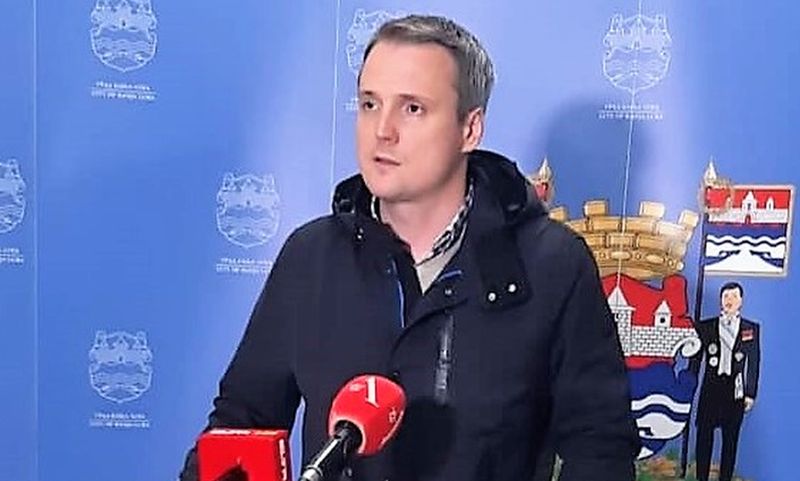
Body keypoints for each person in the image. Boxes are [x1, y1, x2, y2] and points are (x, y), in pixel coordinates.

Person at [180, 14, 638, 481]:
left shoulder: (552, 265)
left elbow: (600, 447)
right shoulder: (310, 256)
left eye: (413, 108)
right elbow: (241, 425)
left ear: (470, 129)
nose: (383, 130)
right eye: (369, 104)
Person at [693, 282, 760, 481]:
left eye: (734, 296)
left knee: (730, 440)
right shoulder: (705, 327)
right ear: (720, 300)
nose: (729, 300)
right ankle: (701, 477)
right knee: (704, 436)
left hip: (735, 390)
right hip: (711, 387)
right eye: (725, 296)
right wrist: (689, 385)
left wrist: (750, 393)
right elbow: (696, 360)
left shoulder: (751, 329)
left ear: (741, 301)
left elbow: (754, 363)